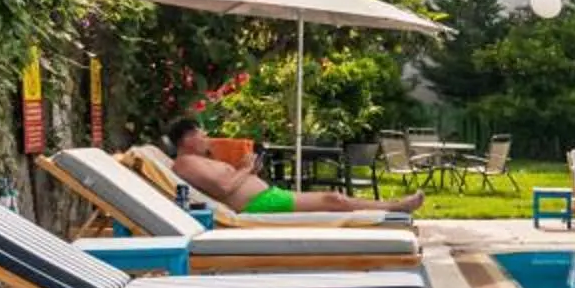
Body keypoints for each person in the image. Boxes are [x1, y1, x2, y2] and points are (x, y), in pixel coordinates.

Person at [165, 120, 421, 215]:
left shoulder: (201, 160)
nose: (206, 138)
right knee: (334, 199)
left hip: (266, 197)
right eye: (201, 135)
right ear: (186, 139)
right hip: (257, 205)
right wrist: (243, 170)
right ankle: (395, 206)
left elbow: (230, 184)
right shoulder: (186, 163)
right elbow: (222, 188)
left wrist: (250, 169)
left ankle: (393, 206)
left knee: (335, 199)